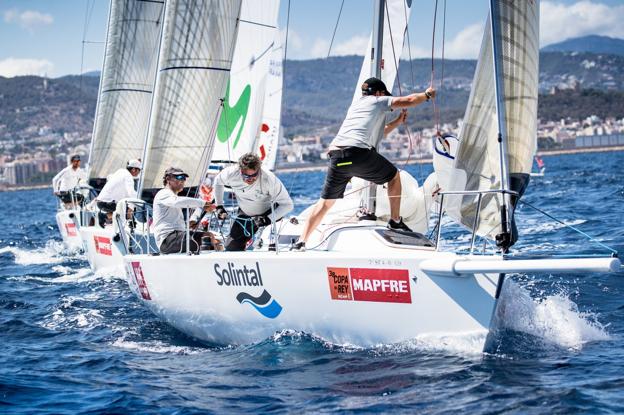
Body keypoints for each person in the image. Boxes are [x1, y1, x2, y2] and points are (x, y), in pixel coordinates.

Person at [294, 77, 436, 251]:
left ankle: (301, 241)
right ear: (378, 93)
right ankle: (395, 221)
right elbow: (409, 100)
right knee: (393, 176)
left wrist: (397, 122)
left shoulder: (356, 106)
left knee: (325, 203)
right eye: (384, 95)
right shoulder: (377, 100)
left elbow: (380, 132)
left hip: (337, 156)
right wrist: (427, 95)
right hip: (357, 153)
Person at [213, 153, 293, 251]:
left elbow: (288, 205)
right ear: (240, 170)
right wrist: (219, 206)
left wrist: (267, 219)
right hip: (245, 214)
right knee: (231, 247)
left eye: (254, 175)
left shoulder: (269, 179)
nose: (250, 179)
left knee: (266, 248)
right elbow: (218, 182)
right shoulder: (231, 173)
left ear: (259, 170)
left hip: (268, 215)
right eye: (246, 176)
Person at [152, 167, 215, 254]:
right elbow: (176, 202)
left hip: (175, 238)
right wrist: (203, 203)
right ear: (168, 179)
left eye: (184, 178)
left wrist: (189, 224)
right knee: (207, 237)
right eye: (179, 178)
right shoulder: (164, 193)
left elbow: (172, 219)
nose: (182, 181)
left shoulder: (171, 196)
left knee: (211, 238)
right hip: (167, 240)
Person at [95, 159, 142, 227]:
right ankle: (105, 217)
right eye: (139, 170)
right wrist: (131, 208)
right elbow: (131, 193)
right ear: (134, 169)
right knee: (129, 210)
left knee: (125, 208)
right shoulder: (128, 177)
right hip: (107, 203)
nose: (139, 172)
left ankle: (107, 217)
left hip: (100, 202)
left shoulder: (120, 171)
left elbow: (110, 178)